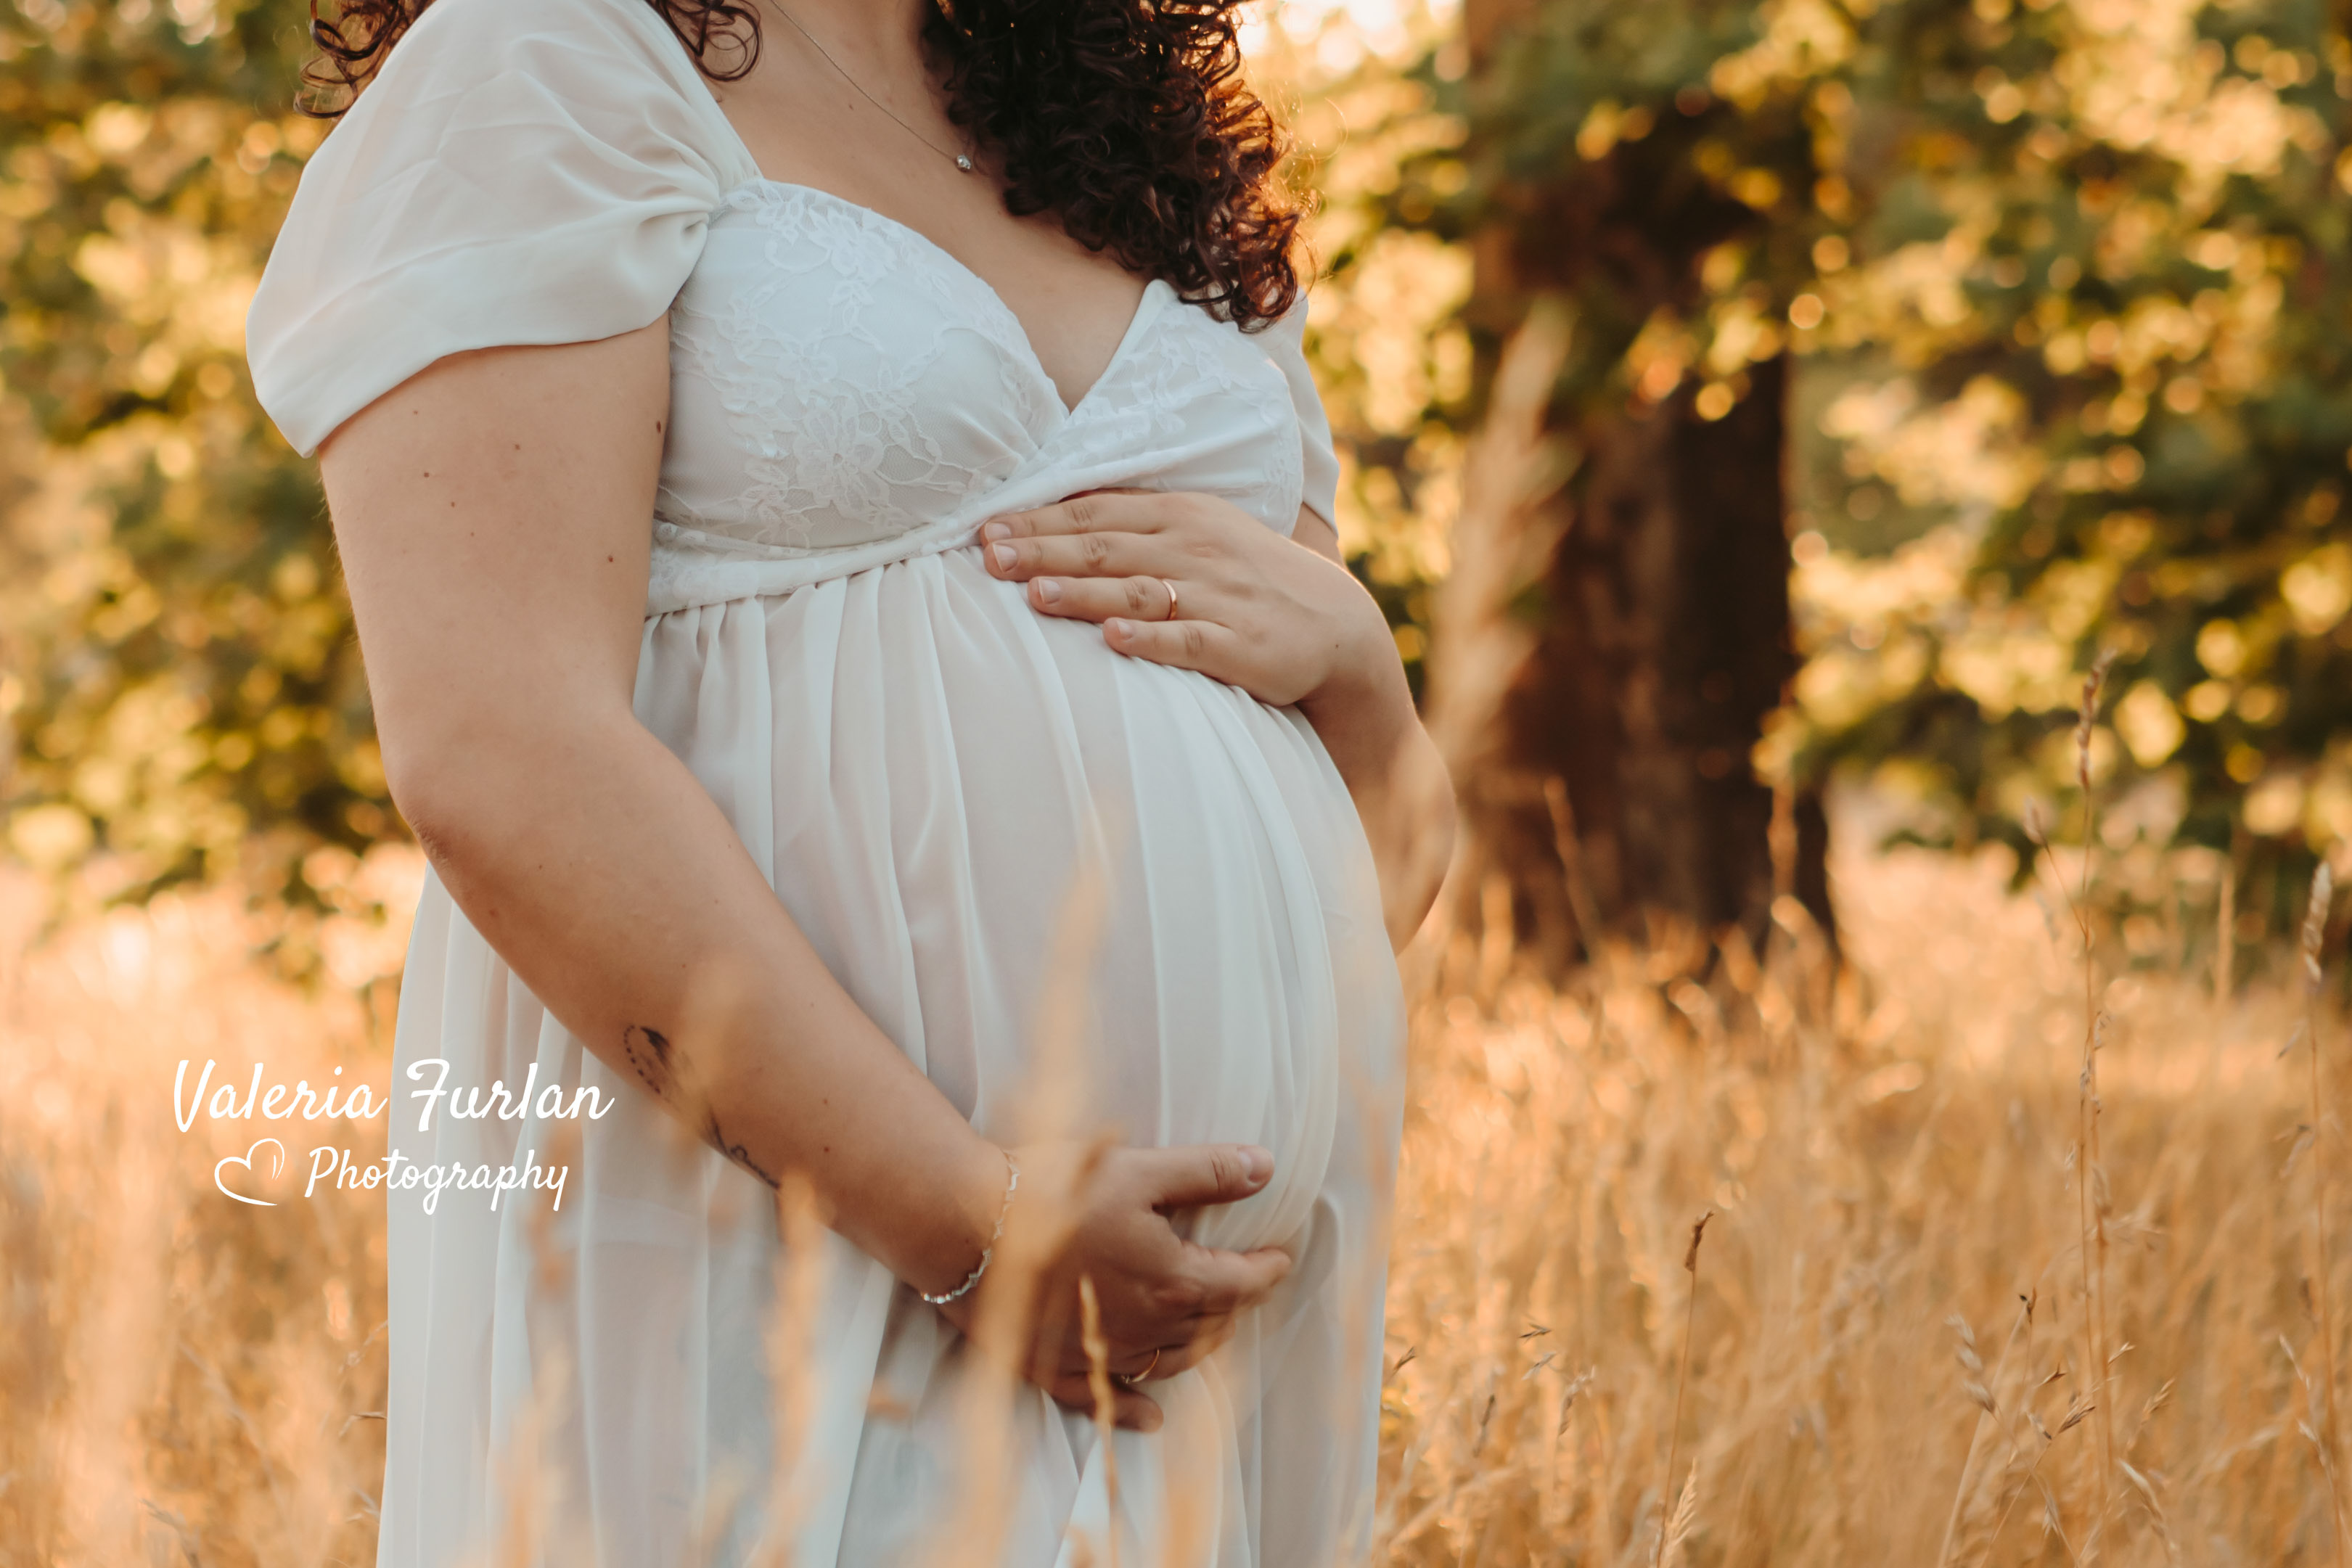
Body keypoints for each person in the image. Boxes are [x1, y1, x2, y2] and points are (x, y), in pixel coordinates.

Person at [242, 0, 1455, 1554]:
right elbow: (499, 750)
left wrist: (1360, 675)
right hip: (794, 1237)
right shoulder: (546, 57)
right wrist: (971, 1223)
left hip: (1188, 1336)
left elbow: (1369, 892)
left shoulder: (1133, 139)